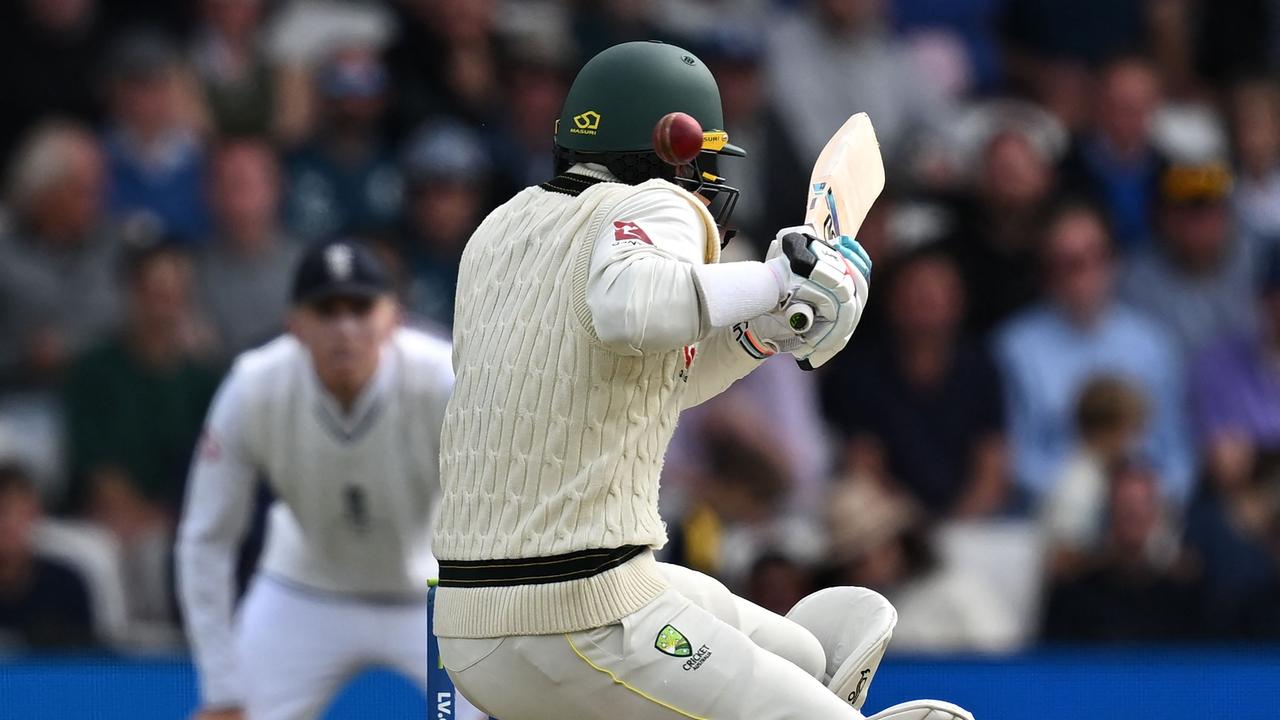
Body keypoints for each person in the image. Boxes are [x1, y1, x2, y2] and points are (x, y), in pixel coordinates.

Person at [433, 41, 970, 720]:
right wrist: (780, 278)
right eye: (704, 158)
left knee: (804, 658)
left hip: (473, 625)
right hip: (578, 618)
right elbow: (631, 308)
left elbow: (648, 374)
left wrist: (766, 327)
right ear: (673, 145)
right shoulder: (659, 203)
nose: (708, 181)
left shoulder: (499, 228)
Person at [176, 240, 481, 720]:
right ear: (294, 323)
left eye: (361, 308)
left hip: (435, 594)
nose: (345, 328)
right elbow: (206, 538)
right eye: (326, 309)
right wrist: (222, 687)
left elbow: (506, 507)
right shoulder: (253, 387)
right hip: (301, 592)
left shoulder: (445, 379)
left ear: (392, 317)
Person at [995, 202, 1194, 507]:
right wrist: (1087, 499)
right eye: (1069, 262)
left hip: (1149, 513)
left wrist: (1150, 498)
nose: (1084, 273)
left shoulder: (1153, 344)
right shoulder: (1015, 348)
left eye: (1095, 256)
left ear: (1113, 261)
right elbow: (1017, 459)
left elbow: (1177, 452)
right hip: (1052, 513)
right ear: (1046, 270)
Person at [63, 242, 219, 630]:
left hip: (177, 518)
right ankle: (114, 665)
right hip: (100, 516)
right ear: (131, 295)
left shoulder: (205, 379)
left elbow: (209, 467)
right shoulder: (93, 370)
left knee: (160, 549)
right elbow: (94, 461)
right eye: (154, 294)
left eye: (175, 295)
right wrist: (132, 513)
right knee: (110, 551)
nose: (164, 306)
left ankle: (164, 657)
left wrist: (166, 517)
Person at [0, 462, 97, 649]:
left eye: (15, 513)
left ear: (34, 513)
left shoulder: (66, 586)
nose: (5, 525)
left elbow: (88, 661)